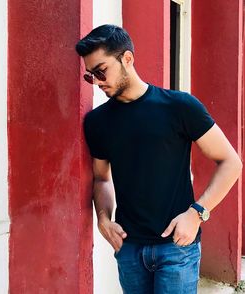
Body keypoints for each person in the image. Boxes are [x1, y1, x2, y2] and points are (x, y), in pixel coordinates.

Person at [75, 24, 242, 294]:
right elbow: (101, 178)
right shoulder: (97, 122)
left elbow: (231, 162)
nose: (97, 81)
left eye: (101, 71)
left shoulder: (179, 106)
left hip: (177, 249)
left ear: (127, 59)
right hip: (129, 249)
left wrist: (197, 214)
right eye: (90, 76)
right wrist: (103, 219)